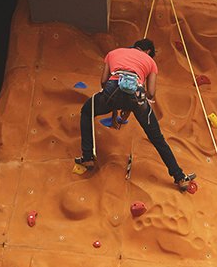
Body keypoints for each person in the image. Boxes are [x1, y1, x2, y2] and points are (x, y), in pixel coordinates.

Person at [75, 38, 195, 191]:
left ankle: (87, 157)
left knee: (87, 111)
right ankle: (180, 177)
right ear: (148, 52)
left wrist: (115, 113)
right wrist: (131, 104)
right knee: (157, 138)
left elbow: (104, 82)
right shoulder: (150, 63)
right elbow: (151, 93)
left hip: (112, 89)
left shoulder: (113, 53)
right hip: (138, 95)